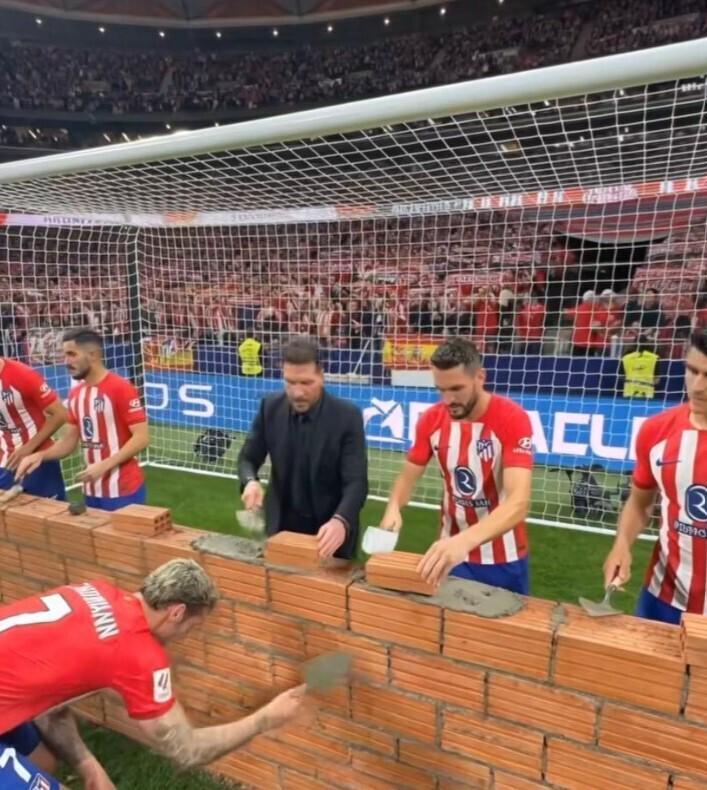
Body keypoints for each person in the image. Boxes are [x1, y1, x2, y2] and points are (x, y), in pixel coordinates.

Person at [0, 559, 308, 789]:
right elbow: (188, 750)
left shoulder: (98, 590)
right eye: (193, 626)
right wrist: (266, 718)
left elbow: (50, 702)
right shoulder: (138, 652)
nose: (187, 635)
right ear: (177, 612)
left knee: (43, 762)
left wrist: (90, 768)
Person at [380, 337, 534, 591]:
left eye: (456, 389)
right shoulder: (431, 420)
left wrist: (465, 541)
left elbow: (518, 502)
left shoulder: (512, 418)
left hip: (503, 557)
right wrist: (393, 507)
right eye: (441, 390)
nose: (448, 399)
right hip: (450, 554)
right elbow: (407, 477)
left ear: (480, 377)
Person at [603, 330, 707, 623]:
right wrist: (622, 545)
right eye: (692, 371)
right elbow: (640, 502)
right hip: (663, 598)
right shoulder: (656, 430)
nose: (698, 386)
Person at [238, 336, 367, 559]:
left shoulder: (347, 417)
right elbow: (248, 458)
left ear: (321, 375)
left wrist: (341, 520)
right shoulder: (270, 407)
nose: (297, 392)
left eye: (306, 383)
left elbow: (356, 482)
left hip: (330, 534)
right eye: (290, 382)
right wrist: (250, 481)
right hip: (280, 530)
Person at [17, 328, 148, 511]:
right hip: (91, 488)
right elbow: (69, 442)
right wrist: (39, 455)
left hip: (123, 490)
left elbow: (142, 438)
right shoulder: (76, 394)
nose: (66, 361)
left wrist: (104, 465)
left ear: (92, 355)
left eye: (72, 354)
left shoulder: (121, 388)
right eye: (65, 355)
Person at [0, 357, 67, 499]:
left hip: (38, 461)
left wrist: (28, 447)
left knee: (50, 511)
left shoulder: (22, 374)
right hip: (5, 462)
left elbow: (61, 414)